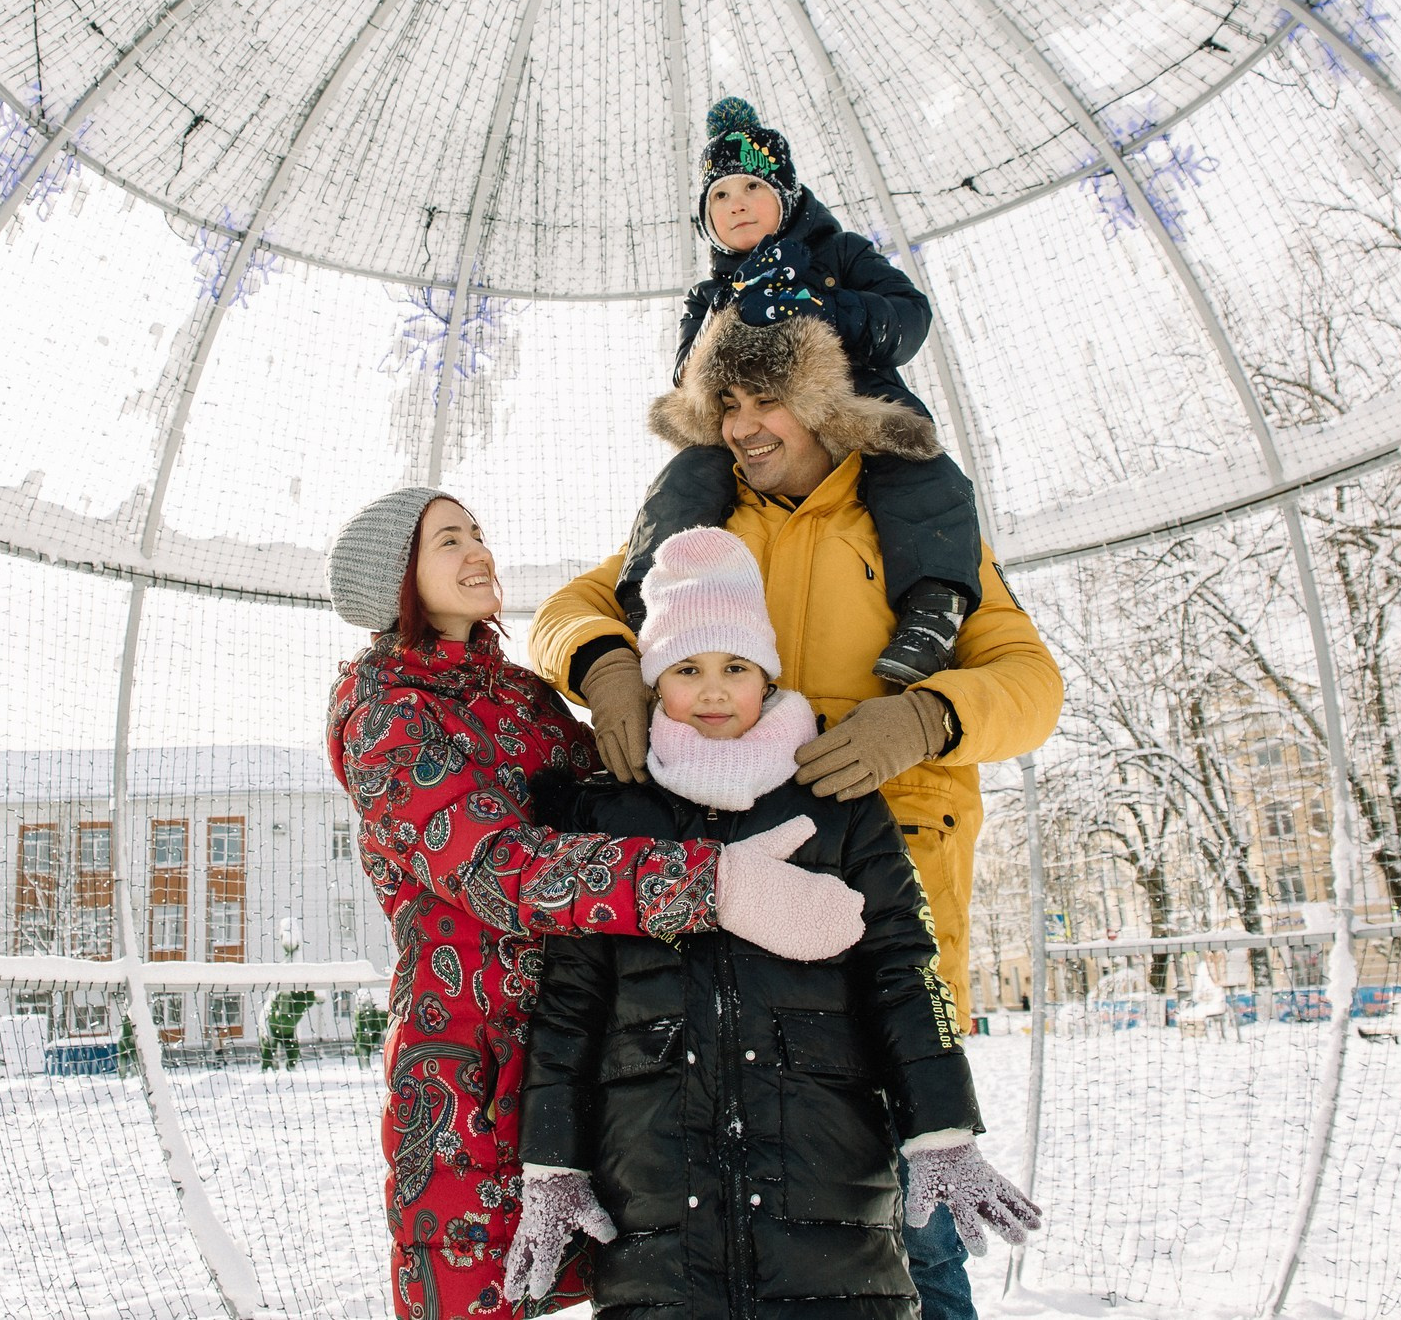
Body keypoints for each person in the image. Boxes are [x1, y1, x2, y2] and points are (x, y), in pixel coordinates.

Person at [532, 337, 1062, 1320]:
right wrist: (606, 658)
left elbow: (1032, 683)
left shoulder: (910, 529)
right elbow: (567, 610)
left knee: (907, 1220)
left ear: (826, 403)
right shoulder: (701, 520)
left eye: (763, 400)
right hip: (715, 932)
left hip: (873, 909)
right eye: (722, 403)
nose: (738, 426)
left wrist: (926, 714)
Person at [326, 487, 869, 1320]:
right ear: (395, 576)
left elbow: (627, 804)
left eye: (478, 531)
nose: (479, 552)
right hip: (471, 1061)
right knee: (479, 1296)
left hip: (589, 1040)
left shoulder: (523, 695)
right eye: (448, 541)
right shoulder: (385, 714)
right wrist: (711, 883)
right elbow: (504, 873)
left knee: (635, 1286)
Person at [616, 96, 985, 686]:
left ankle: (932, 610)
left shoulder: (840, 255)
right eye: (719, 196)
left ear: (786, 197)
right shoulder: (707, 295)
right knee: (688, 477)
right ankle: (646, 594)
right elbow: (686, 371)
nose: (736, 205)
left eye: (752, 189)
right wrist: (730, 317)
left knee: (921, 475)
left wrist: (818, 302)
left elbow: (908, 318)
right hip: (749, 432)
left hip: (852, 412)